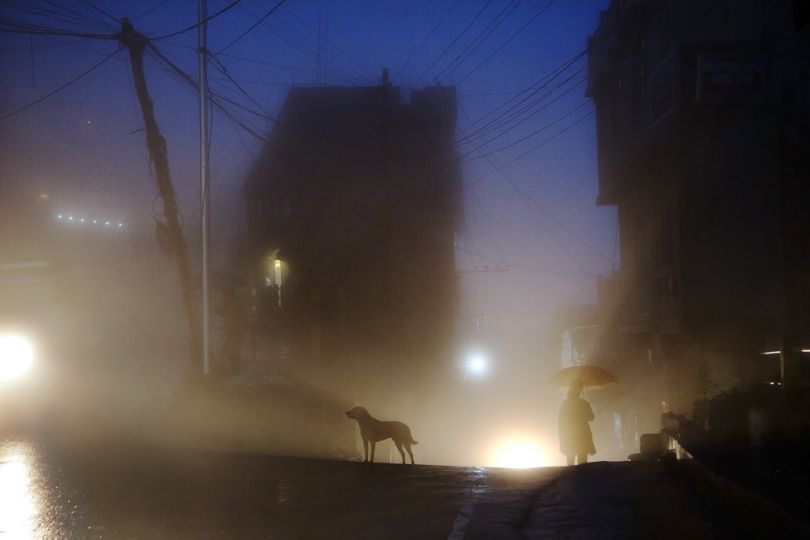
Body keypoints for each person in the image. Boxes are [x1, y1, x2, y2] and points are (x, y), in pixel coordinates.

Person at [558, 381, 596, 466]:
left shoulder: (565, 403)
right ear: (579, 391)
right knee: (582, 462)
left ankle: (571, 477)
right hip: (582, 435)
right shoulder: (583, 403)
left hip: (569, 435)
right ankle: (582, 477)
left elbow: (561, 421)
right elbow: (591, 417)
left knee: (570, 461)